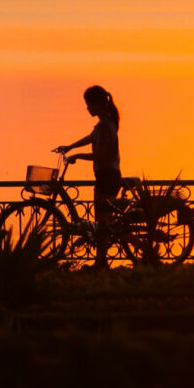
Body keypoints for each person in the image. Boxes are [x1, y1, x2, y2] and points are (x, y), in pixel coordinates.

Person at [55, 85, 122, 269]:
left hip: (107, 177)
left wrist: (77, 156)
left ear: (97, 104)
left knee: (103, 223)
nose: (87, 108)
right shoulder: (104, 125)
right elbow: (90, 138)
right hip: (107, 176)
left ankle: (101, 261)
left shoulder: (106, 126)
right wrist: (70, 147)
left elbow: (101, 155)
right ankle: (102, 260)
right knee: (105, 222)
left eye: (88, 104)